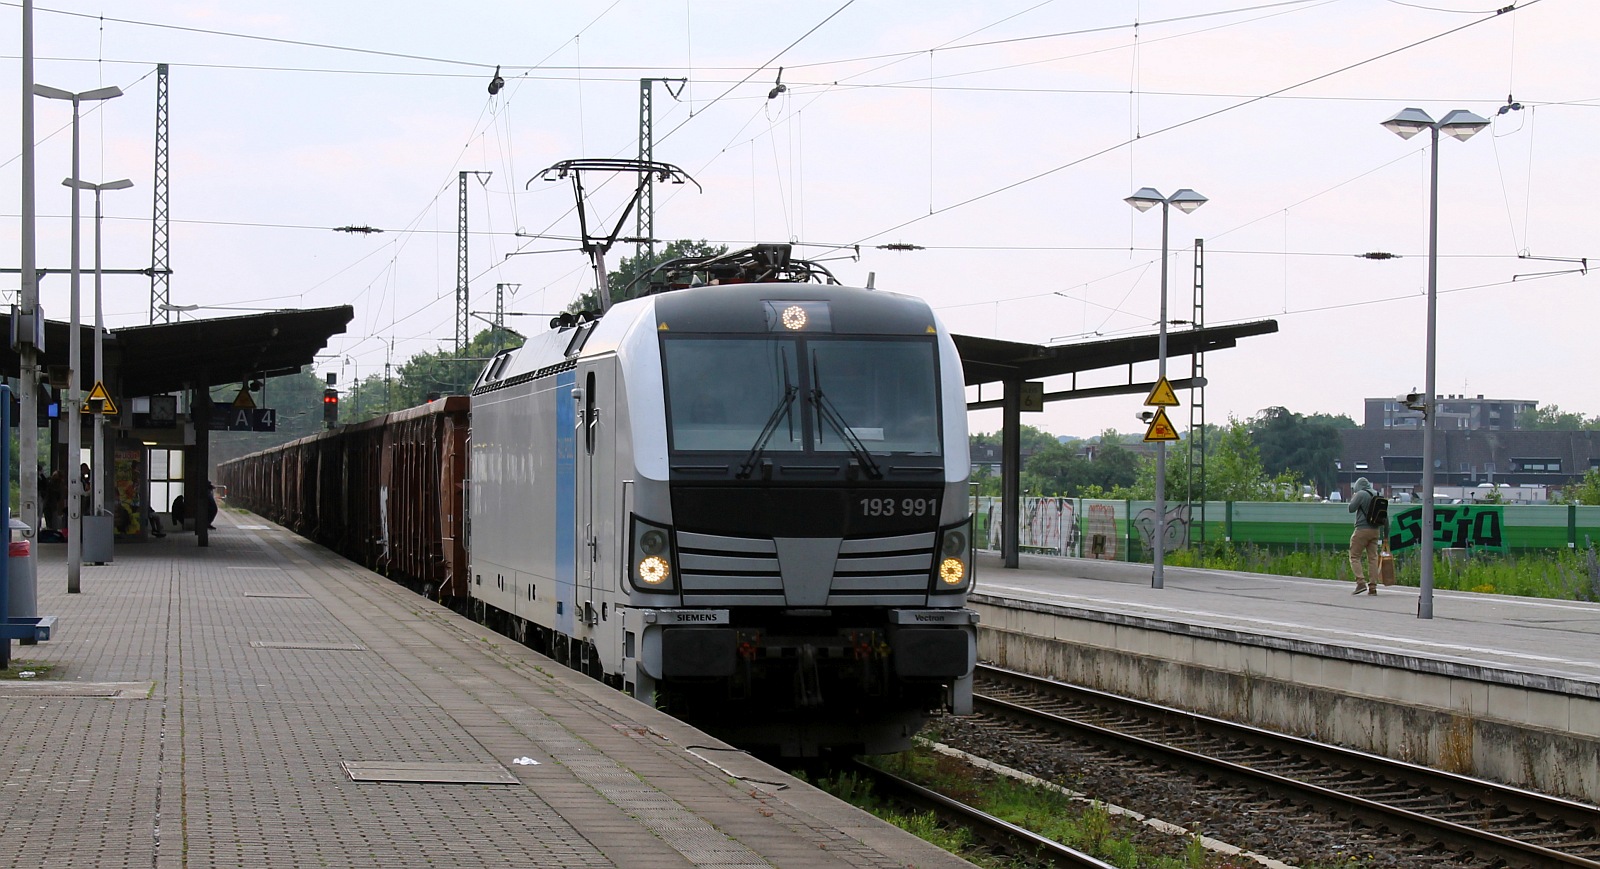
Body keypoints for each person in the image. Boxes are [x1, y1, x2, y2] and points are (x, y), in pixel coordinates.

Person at [1347, 477, 1382, 595]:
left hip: (1362, 529)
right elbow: (1384, 516)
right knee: (1373, 558)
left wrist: (1354, 497)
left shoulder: (1361, 494)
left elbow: (1351, 508)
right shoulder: (1378, 495)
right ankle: (1373, 587)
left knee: (1354, 556)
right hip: (1375, 530)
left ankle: (1360, 582)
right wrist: (1386, 535)